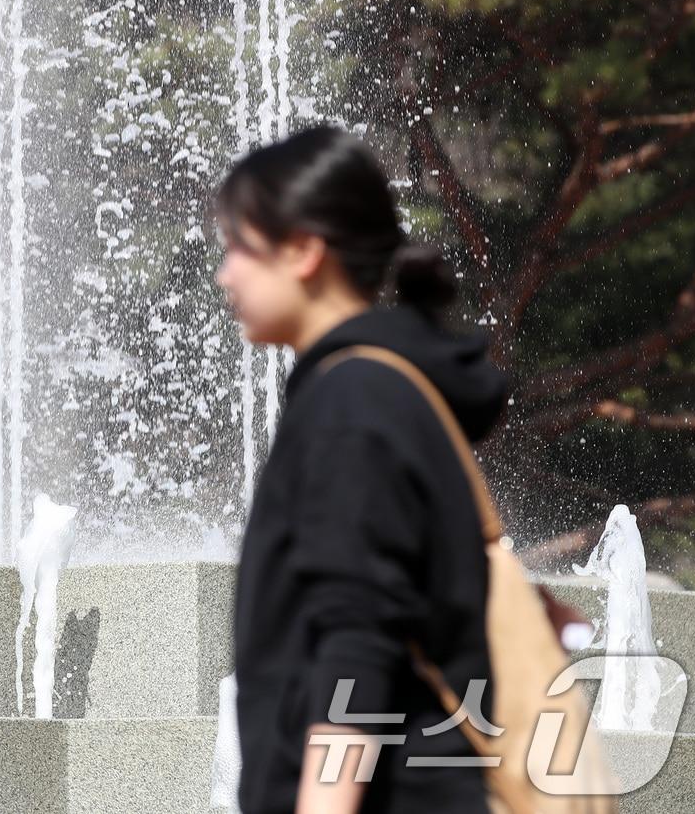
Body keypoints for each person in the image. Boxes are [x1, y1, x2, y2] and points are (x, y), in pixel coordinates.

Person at [215, 127, 508, 813]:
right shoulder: (391, 390)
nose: (226, 273)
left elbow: (357, 645)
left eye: (239, 247)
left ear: (305, 250)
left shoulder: (352, 403)